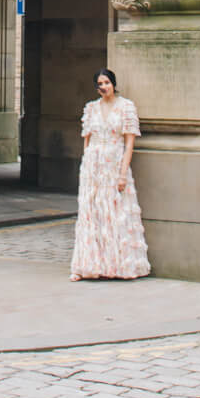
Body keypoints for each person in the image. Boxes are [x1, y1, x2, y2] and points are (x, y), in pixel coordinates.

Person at [70, 68, 151, 282]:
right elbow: (86, 139)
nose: (104, 87)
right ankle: (87, 265)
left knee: (116, 213)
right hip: (93, 166)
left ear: (113, 83)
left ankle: (118, 265)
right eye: (100, 83)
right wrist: (85, 165)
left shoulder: (126, 107)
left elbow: (129, 142)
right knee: (92, 214)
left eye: (106, 82)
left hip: (114, 163)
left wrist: (123, 173)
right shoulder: (91, 108)